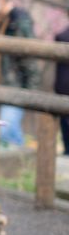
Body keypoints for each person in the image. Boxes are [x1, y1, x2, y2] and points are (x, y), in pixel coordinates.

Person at [0, 0, 42, 146]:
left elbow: (30, 58)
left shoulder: (19, 19)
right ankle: (22, 163)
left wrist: (31, 91)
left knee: (6, 128)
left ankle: (22, 161)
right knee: (7, 130)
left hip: (15, 84)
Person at [55, 19, 69, 156]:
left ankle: (67, 150)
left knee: (65, 122)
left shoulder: (62, 34)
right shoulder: (63, 35)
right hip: (64, 86)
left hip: (62, 85)